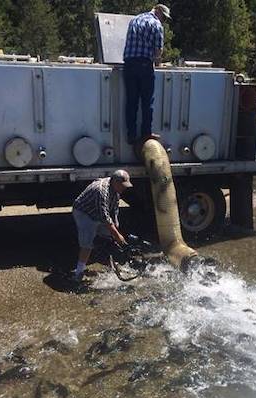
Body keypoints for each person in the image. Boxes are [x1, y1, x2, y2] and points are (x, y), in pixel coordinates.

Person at [123, 3, 171, 145]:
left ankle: (131, 135)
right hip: (144, 65)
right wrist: (158, 62)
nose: (164, 21)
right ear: (158, 11)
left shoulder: (135, 19)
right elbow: (158, 51)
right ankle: (146, 134)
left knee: (131, 100)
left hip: (129, 63)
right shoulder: (156, 25)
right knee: (147, 101)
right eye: (164, 17)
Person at [72, 170, 133, 281]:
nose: (124, 189)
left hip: (99, 213)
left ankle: (112, 267)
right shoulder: (101, 190)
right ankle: (78, 273)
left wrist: (115, 232)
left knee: (109, 240)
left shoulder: (116, 190)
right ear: (115, 182)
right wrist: (117, 235)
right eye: (123, 186)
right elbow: (104, 217)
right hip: (85, 213)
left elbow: (113, 211)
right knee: (87, 243)